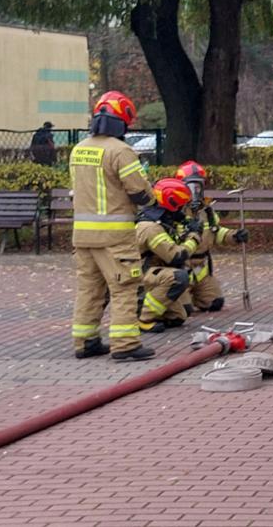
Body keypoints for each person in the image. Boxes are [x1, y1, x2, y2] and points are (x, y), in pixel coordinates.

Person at [68, 91, 155, 362]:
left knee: (89, 289)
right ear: (123, 122)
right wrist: (151, 198)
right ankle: (125, 344)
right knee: (124, 287)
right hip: (114, 236)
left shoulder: (79, 149)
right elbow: (140, 192)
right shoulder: (121, 151)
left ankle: (85, 341)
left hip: (82, 236)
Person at [175, 160, 243, 316]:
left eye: (198, 187)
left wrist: (234, 236)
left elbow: (216, 232)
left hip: (200, 269)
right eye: (190, 187)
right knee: (183, 310)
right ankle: (184, 297)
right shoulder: (175, 211)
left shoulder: (207, 211)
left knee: (215, 303)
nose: (195, 191)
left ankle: (196, 296)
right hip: (181, 268)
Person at [135, 177, 196, 333]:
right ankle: (143, 317)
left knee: (178, 317)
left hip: (148, 274)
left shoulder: (160, 222)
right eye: (181, 206)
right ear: (171, 205)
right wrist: (195, 236)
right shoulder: (151, 228)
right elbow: (176, 256)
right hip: (137, 278)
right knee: (178, 277)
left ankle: (144, 305)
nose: (183, 210)